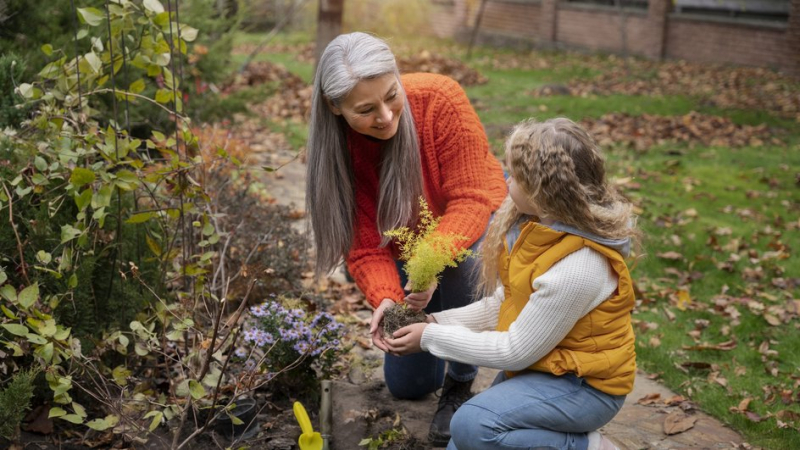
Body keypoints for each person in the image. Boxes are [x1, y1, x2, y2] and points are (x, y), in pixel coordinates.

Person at [385, 117, 640, 450]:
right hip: (547, 366)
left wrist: (430, 338)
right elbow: (504, 303)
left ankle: (588, 446)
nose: (508, 181)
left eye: (516, 176)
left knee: (472, 425)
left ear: (542, 193)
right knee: (461, 443)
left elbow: (515, 350)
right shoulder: (539, 230)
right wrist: (434, 320)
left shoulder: (579, 266)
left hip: (585, 387)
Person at [305, 32, 507, 445]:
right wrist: (385, 297)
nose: (386, 116)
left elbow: (470, 200)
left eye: (391, 96)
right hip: (402, 244)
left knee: (460, 266)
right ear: (334, 107)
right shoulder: (337, 151)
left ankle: (460, 380)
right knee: (408, 385)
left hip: (471, 223)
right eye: (365, 109)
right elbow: (363, 245)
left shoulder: (439, 99)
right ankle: (435, 341)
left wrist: (429, 264)